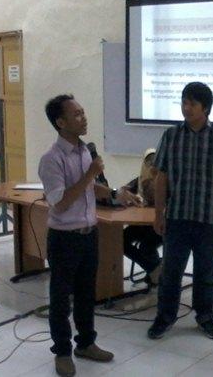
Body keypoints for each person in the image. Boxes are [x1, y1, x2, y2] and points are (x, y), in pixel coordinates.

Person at [38, 94, 140, 377]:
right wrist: (90, 174)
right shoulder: (51, 159)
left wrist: (116, 194)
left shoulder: (84, 150)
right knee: (61, 298)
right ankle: (62, 352)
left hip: (88, 234)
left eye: (83, 112)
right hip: (64, 238)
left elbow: (89, 188)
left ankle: (86, 343)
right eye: (77, 114)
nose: (84, 118)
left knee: (86, 294)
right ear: (60, 122)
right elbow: (60, 202)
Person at [147, 82, 213, 341]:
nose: (186, 108)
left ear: (206, 108)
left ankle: (206, 317)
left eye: (192, 103)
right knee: (171, 272)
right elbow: (161, 177)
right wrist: (158, 213)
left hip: (209, 218)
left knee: (206, 272)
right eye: (184, 102)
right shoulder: (171, 135)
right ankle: (164, 317)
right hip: (177, 217)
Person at [121, 148, 163, 286]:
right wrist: (127, 196)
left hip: (161, 225)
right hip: (141, 224)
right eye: (148, 161)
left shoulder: (166, 180)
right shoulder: (140, 180)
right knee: (119, 240)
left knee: (147, 246)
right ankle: (154, 269)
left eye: (155, 161)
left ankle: (156, 272)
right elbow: (123, 191)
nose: (151, 165)